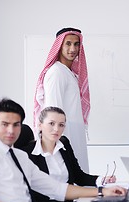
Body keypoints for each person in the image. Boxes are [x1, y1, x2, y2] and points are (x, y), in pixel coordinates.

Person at [0, 98, 126, 202]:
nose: (11, 130)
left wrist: (102, 191)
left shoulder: (20, 156)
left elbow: (56, 188)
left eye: (16, 124)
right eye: (5, 124)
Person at [22, 106, 116, 202]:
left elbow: (78, 177)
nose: (56, 129)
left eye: (61, 125)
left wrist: (101, 180)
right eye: (51, 123)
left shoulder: (64, 145)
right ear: (40, 125)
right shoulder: (26, 153)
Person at [34, 27, 90, 173]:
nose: (72, 49)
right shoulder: (57, 72)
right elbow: (53, 111)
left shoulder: (68, 72)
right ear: (59, 46)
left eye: (76, 44)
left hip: (73, 135)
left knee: (80, 179)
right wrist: (60, 143)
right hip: (65, 137)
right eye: (68, 43)